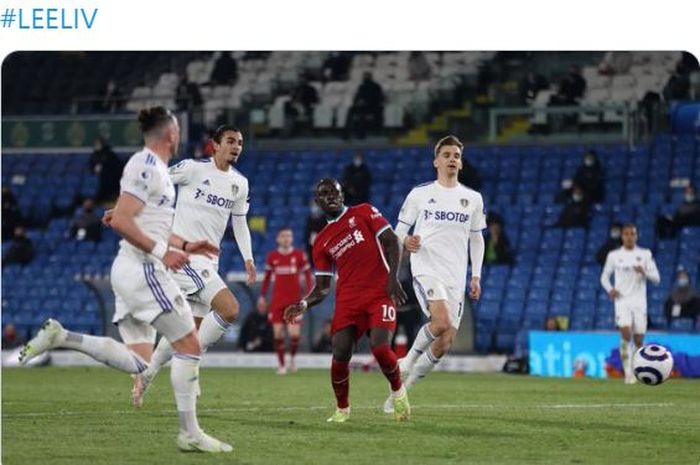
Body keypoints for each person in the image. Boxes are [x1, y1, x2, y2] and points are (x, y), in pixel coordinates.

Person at [19, 107, 232, 452]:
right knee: (189, 344)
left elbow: (148, 222)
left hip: (134, 269)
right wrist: (162, 252)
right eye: (177, 130)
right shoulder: (145, 166)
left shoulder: (157, 171)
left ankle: (62, 336)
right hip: (144, 269)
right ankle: (189, 433)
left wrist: (188, 244)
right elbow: (122, 221)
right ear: (170, 135)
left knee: (140, 361)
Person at [129, 124, 256, 406]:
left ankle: (146, 374)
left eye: (240, 142)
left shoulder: (240, 183)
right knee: (230, 308)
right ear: (215, 144)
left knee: (187, 334)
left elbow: (240, 223)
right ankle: (191, 364)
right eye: (231, 141)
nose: (237, 146)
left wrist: (248, 258)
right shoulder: (193, 169)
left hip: (210, 261)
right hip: (183, 257)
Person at [284, 178, 411, 422]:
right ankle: (342, 409)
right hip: (348, 300)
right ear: (317, 201)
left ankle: (398, 392)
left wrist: (393, 278)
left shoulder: (364, 211)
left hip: (379, 292)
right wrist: (303, 304)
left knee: (381, 347)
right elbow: (322, 288)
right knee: (340, 352)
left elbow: (392, 241)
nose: (330, 195)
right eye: (324, 193)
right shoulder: (320, 241)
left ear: (343, 195)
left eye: (335, 191)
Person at [383, 134, 486, 413]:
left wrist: (475, 276)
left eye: (456, 156)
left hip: (456, 275)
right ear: (435, 161)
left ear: (461, 164)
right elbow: (397, 232)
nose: (452, 159)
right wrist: (406, 241)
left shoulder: (472, 199)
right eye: (447, 155)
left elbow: (477, 239)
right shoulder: (419, 194)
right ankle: (405, 362)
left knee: (446, 340)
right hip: (427, 267)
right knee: (440, 322)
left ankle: (403, 389)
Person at [600, 223, 660, 384]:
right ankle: (628, 374)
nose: (629, 237)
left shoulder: (645, 254)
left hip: (639, 301)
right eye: (626, 234)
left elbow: (657, 278)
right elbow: (604, 277)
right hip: (622, 300)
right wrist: (610, 289)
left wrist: (644, 271)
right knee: (626, 334)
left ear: (637, 236)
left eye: (632, 234)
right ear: (622, 236)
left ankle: (640, 369)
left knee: (639, 339)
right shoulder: (614, 255)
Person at [258, 227, 313, 374]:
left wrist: (309, 295)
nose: (286, 238)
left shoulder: (300, 255)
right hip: (277, 301)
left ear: (292, 238)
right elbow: (267, 278)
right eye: (283, 236)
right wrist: (262, 296)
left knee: (294, 334)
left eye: (289, 236)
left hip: (295, 302)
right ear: (278, 239)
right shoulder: (272, 257)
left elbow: (308, 276)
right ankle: (282, 365)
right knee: (278, 334)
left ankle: (292, 359)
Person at [346, 72, 385, 138]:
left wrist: (366, 102)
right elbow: (357, 97)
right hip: (361, 106)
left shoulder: (376, 86)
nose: (365, 78)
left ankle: (361, 134)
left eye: (367, 77)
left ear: (370, 77)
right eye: (364, 77)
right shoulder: (361, 86)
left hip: (373, 106)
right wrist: (357, 102)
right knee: (350, 110)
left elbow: (380, 97)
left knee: (362, 114)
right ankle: (346, 133)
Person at [90, 137, 124, 204]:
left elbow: (116, 167)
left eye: (98, 143)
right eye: (96, 144)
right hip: (101, 180)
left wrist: (103, 168)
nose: (97, 145)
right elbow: (91, 166)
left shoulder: (109, 154)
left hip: (111, 179)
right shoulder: (94, 155)